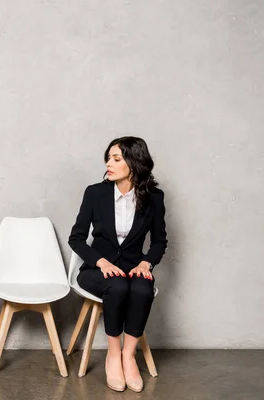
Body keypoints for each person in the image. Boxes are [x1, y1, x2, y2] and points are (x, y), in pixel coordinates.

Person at [68, 136, 168, 392]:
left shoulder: (154, 198)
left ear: (134, 163)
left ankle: (128, 355)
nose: (108, 163)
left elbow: (159, 240)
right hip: (95, 270)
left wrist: (147, 263)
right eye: (108, 158)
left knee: (142, 289)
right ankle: (114, 355)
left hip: (134, 268)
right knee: (117, 286)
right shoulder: (95, 193)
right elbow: (76, 238)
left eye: (116, 159)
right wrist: (99, 261)